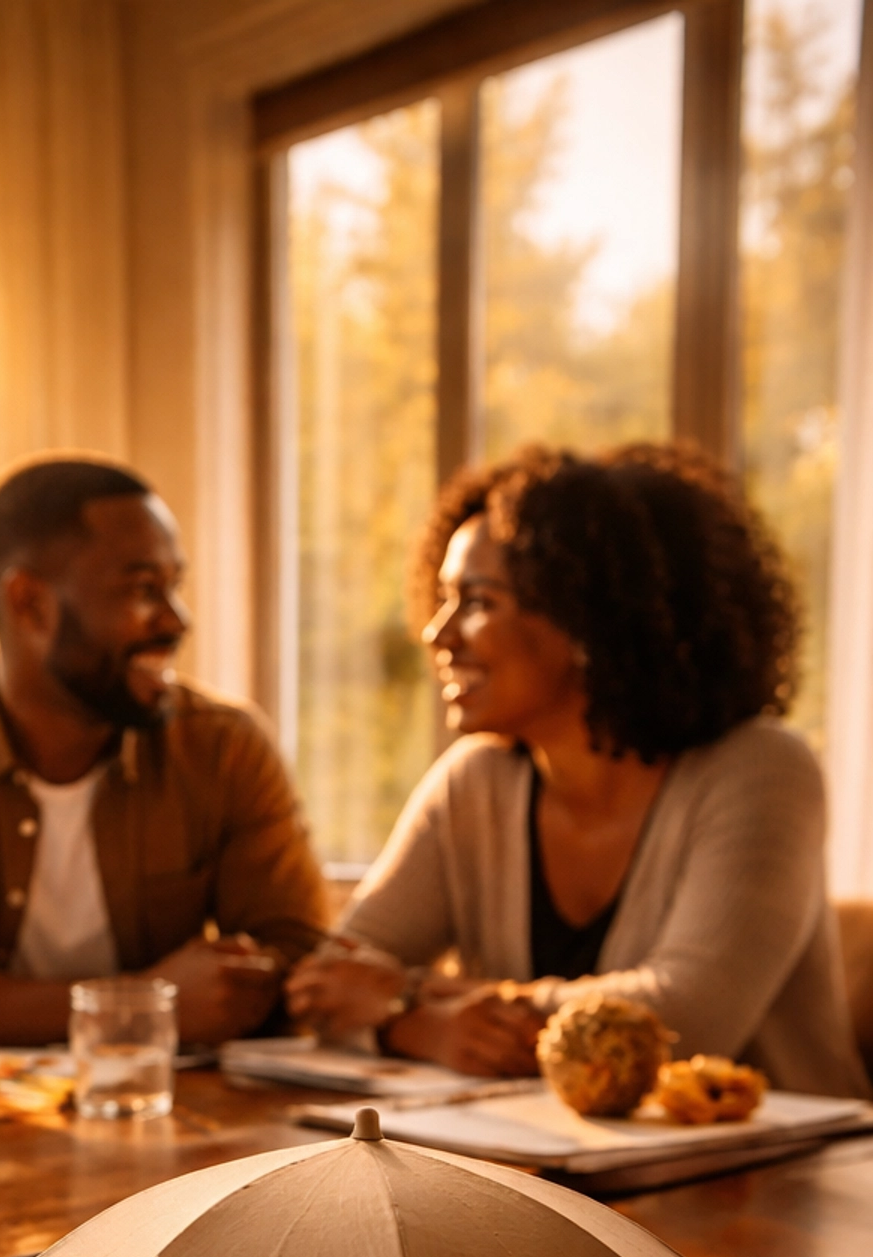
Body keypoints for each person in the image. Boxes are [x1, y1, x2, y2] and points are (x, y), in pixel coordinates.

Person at [286, 443, 869, 1096]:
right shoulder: (474, 783)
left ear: (589, 617)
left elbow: (684, 1019)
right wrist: (416, 1022)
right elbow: (329, 984)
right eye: (444, 599)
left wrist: (413, 998)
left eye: (477, 602)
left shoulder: (761, 770)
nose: (437, 634)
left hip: (781, 1158)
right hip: (543, 1155)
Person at [0, 457, 328, 1047]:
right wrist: (140, 1007)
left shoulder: (225, 748)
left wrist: (253, 982)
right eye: (143, 590)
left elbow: (301, 958)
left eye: (174, 587)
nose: (177, 621)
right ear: (30, 603)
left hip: (167, 1100)